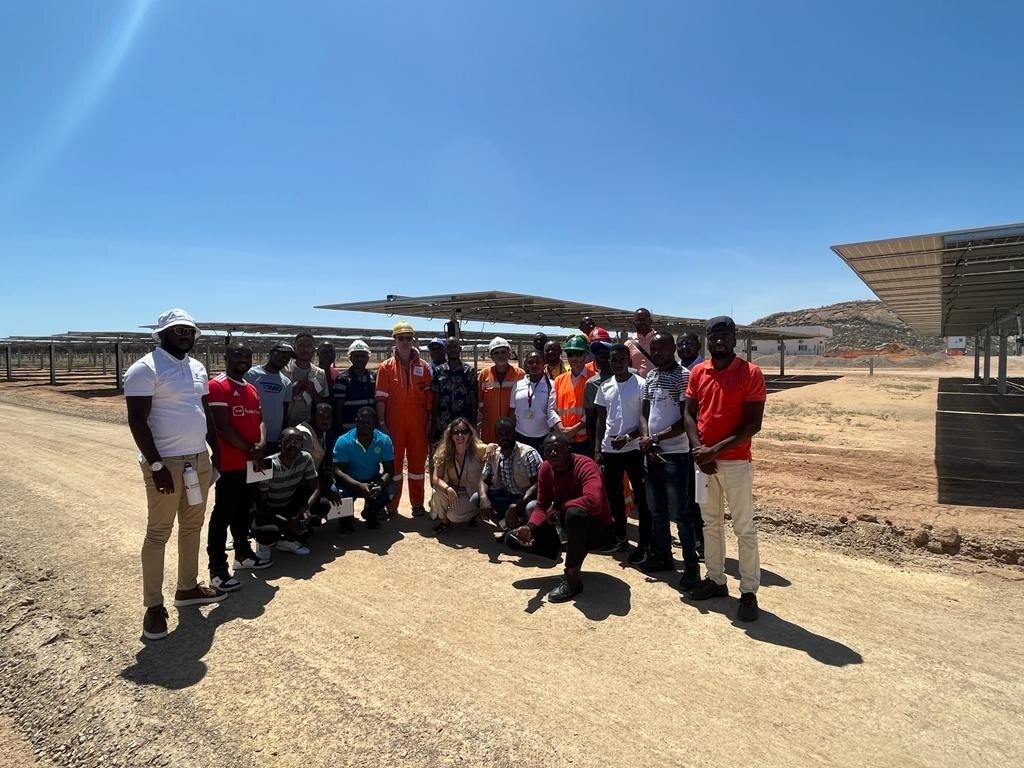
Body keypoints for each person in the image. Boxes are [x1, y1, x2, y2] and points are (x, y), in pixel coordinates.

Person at [124, 308, 223, 641]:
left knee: (193, 525)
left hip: (198, 460)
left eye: (189, 331)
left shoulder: (196, 367)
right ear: (163, 333)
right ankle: (153, 607)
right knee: (158, 532)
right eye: (179, 330)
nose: (185, 335)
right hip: (165, 462)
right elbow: (137, 420)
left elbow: (204, 411)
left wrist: (215, 451)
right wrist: (155, 465)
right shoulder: (144, 369)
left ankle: (188, 587)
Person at [684, 316, 767, 622]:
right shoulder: (698, 372)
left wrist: (714, 451)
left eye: (725, 335)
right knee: (710, 524)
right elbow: (689, 414)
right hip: (703, 463)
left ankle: (748, 592)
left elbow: (752, 425)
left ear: (734, 339)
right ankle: (716, 580)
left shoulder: (750, 373)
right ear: (707, 339)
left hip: (735, 462)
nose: (719, 340)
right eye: (713, 335)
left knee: (744, 528)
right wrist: (698, 452)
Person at [507, 433, 614, 603]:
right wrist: (529, 527)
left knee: (574, 514)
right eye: (549, 451)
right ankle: (554, 550)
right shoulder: (546, 469)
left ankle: (572, 578)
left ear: (569, 449)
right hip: (568, 523)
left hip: (599, 530)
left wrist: (558, 505)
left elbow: (594, 502)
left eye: (557, 449)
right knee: (512, 537)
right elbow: (541, 506)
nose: (553, 454)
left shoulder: (585, 465)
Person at [207, 343, 271, 593]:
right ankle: (217, 569)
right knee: (222, 514)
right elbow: (221, 426)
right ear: (226, 357)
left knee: (243, 510)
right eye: (238, 355)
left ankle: (243, 554)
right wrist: (249, 448)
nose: (244, 360)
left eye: (248, 356)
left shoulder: (252, 388)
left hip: (251, 461)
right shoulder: (217, 386)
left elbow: (261, 419)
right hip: (231, 462)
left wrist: (262, 443)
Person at [638, 332, 700, 586]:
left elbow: (687, 419)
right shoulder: (651, 377)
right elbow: (644, 414)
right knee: (657, 511)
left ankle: (691, 567)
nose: (658, 352)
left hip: (675, 454)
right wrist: (645, 439)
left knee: (681, 513)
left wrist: (658, 438)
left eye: (663, 348)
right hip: (651, 453)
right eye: (654, 349)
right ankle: (663, 556)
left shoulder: (684, 376)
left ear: (673, 348)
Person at [594, 343, 651, 557]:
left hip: (634, 449)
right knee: (614, 497)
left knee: (641, 498)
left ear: (628, 361)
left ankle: (645, 543)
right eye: (613, 360)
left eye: (621, 359)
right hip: (610, 451)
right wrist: (598, 449)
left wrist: (628, 438)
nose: (617, 363)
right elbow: (601, 421)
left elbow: (646, 417)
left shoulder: (641, 384)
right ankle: (620, 538)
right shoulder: (605, 386)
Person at [375, 321, 433, 517]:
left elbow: (428, 397)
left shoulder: (423, 367)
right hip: (394, 424)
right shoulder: (386, 367)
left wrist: (429, 420)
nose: (405, 342)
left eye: (409, 338)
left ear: (413, 340)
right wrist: (382, 423)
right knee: (394, 466)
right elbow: (381, 398)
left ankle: (417, 503)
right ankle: (392, 505)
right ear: (395, 340)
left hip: (418, 423)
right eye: (401, 338)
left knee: (417, 465)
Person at [255, 428, 321, 556]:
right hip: (269, 510)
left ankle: (286, 538)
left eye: (297, 441)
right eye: (288, 441)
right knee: (267, 532)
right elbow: (262, 504)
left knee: (321, 504)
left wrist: (304, 510)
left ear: (302, 444)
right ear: (280, 443)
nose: (293, 445)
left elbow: (316, 488)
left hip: (288, 504)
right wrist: (286, 522)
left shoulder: (305, 458)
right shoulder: (269, 464)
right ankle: (265, 542)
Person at [333, 407, 396, 530]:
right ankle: (345, 518)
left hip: (372, 479)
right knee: (336, 492)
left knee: (391, 489)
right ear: (356, 422)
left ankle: (370, 512)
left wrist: (380, 484)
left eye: (368, 422)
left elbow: (389, 470)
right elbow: (337, 471)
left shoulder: (384, 440)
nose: (364, 425)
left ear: (375, 423)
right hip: (349, 481)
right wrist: (358, 485)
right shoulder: (344, 441)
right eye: (361, 422)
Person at [474, 417, 540, 536]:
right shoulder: (494, 453)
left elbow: (537, 485)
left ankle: (529, 531)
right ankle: (505, 524)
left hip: (526, 498)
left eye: (508, 433)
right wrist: (484, 498)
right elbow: (483, 480)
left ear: (514, 432)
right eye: (500, 434)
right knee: (477, 498)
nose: (504, 436)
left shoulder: (528, 453)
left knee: (532, 507)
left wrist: (516, 506)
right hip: (508, 497)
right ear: (495, 436)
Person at [428, 418, 487, 532]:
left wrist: (491, 447)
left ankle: (475, 513)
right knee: (437, 493)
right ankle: (444, 522)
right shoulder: (443, 453)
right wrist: (448, 489)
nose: (460, 435)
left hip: (473, 493)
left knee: (453, 516)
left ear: (470, 434)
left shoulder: (479, 449)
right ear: (450, 435)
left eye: (463, 431)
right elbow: (435, 479)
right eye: (456, 432)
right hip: (454, 490)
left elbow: (496, 448)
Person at [676, 331, 705, 559]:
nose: (684, 347)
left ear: (698, 345)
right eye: (681, 344)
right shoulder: (677, 371)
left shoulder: (703, 370)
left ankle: (704, 542)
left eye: (689, 342)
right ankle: (693, 538)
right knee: (685, 493)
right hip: (679, 444)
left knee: (701, 496)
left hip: (699, 443)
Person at [244, 343, 293, 454]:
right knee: (249, 468)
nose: (284, 359)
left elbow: (284, 411)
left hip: (274, 437)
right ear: (271, 353)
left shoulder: (286, 382)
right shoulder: (250, 375)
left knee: (267, 469)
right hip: (251, 435)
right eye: (281, 354)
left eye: (288, 357)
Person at [430, 335, 478, 444]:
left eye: (455, 346)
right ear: (445, 350)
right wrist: (433, 426)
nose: (452, 349)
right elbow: (435, 400)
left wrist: (474, 423)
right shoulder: (438, 371)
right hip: (443, 424)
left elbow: (473, 399)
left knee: (463, 454)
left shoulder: (469, 371)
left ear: (460, 349)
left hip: (463, 424)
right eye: (449, 347)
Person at [476, 336, 523, 443]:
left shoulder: (520, 374)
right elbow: (479, 401)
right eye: (496, 353)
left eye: (503, 352)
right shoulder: (484, 374)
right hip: (489, 428)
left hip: (513, 427)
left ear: (509, 354)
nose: (500, 355)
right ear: (491, 356)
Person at [551, 334, 592, 457]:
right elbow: (552, 408)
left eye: (578, 354)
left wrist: (574, 429)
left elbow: (594, 411)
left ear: (586, 355)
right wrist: (561, 428)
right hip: (563, 439)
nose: (574, 358)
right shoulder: (559, 380)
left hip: (586, 440)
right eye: (570, 354)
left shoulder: (594, 379)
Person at [509, 350, 558, 451]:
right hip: (520, 437)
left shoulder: (552, 385)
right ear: (526, 364)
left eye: (538, 362)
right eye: (531, 362)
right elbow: (512, 412)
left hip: (543, 438)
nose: (534, 365)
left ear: (544, 363)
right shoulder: (517, 385)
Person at [331, 339, 376, 442]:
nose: (359, 359)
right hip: (349, 429)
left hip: (370, 429)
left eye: (362, 356)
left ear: (367, 358)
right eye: (356, 356)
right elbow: (339, 406)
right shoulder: (342, 379)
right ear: (350, 358)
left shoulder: (374, 377)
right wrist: (340, 428)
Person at [285, 332, 328, 428]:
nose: (305, 349)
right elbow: (275, 400)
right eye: (301, 346)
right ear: (294, 349)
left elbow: (324, 403)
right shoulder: (284, 371)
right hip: (285, 424)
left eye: (309, 346)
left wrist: (314, 393)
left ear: (313, 349)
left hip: (311, 426)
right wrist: (290, 392)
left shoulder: (320, 373)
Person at [583, 330, 614, 456]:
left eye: (606, 353)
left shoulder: (633, 376)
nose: (603, 357)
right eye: (599, 354)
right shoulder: (592, 384)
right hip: (605, 444)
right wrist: (595, 450)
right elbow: (590, 420)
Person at [626, 307, 657, 378]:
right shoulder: (628, 343)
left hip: (659, 385)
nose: (641, 323)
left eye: (643, 320)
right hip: (637, 386)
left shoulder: (660, 339)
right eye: (638, 320)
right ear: (634, 323)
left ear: (650, 321)